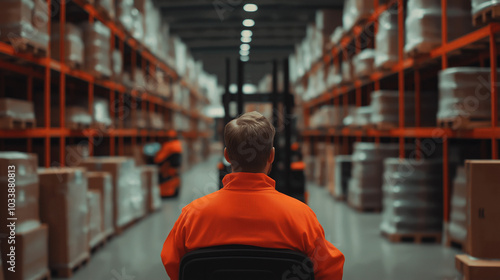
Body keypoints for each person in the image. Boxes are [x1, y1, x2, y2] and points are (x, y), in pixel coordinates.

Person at [161, 111, 345, 280]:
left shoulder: (192, 215)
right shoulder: (301, 216)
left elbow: (174, 264)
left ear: (226, 155)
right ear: (271, 156)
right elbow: (330, 270)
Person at [154, 130, 183, 197]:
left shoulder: (168, 145)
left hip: (167, 170)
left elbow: (158, 159)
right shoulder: (179, 143)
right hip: (174, 170)